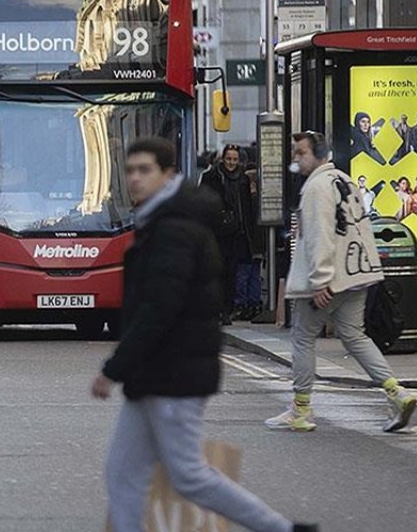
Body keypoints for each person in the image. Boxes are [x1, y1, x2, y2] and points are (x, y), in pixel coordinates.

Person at [92, 138, 316, 532]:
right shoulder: (158, 222)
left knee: (188, 475)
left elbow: (160, 307)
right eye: (130, 170)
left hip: (174, 374)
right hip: (153, 374)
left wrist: (114, 367)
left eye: (145, 170)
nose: (135, 179)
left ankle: (282, 529)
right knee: (122, 473)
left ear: (168, 175)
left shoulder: (174, 229)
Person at [267, 131, 417, 433]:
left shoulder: (315, 188)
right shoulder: (345, 180)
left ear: (319, 155)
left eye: (301, 153)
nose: (296, 159)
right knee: (355, 336)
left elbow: (320, 236)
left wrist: (321, 281)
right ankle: (396, 392)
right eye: (295, 153)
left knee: (302, 338)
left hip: (328, 278)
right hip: (356, 275)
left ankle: (301, 410)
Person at [200, 145, 262, 323]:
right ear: (222, 159)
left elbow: (248, 207)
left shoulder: (243, 179)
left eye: (235, 159)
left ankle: (227, 309)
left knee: (233, 273)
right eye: (229, 159)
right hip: (217, 232)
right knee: (218, 272)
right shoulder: (211, 177)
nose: (232, 163)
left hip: (238, 234)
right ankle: (219, 309)